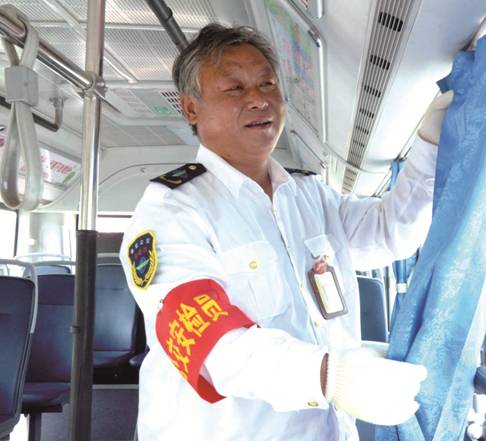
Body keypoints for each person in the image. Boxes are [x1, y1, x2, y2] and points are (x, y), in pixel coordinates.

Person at [120, 23, 452, 441]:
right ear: (190, 109)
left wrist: (430, 142)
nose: (259, 99)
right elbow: (210, 343)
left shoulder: (310, 195)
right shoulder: (170, 211)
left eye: (267, 83)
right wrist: (330, 376)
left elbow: (391, 232)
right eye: (235, 88)